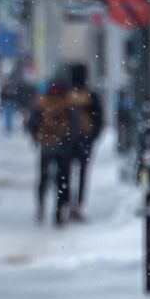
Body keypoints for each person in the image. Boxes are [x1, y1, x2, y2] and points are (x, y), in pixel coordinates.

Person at [28, 76, 74, 227]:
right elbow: (74, 126)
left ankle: (41, 207)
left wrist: (37, 138)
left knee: (43, 178)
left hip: (47, 147)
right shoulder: (67, 104)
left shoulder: (42, 103)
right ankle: (59, 211)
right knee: (63, 180)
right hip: (63, 147)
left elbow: (32, 123)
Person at [67, 64, 103, 221]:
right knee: (82, 174)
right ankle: (77, 205)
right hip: (84, 139)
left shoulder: (67, 96)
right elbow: (99, 119)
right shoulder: (90, 95)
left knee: (66, 174)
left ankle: (67, 203)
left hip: (67, 140)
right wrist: (93, 137)